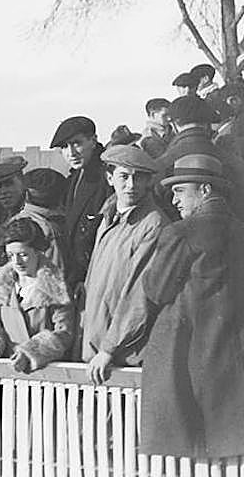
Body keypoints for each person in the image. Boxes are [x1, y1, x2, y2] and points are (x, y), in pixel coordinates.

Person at [130, 154, 244, 458]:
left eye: (180, 190)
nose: (175, 200)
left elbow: (156, 289)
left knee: (191, 453)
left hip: (187, 357)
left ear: (205, 189)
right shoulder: (239, 230)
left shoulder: (181, 233)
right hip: (230, 359)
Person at [83, 144, 169, 384]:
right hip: (95, 347)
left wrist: (108, 349)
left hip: (123, 356)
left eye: (139, 177)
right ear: (110, 178)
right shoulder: (109, 217)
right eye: (124, 176)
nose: (131, 185)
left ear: (148, 181)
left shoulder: (153, 224)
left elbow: (139, 296)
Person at [0, 218, 74, 372]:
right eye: (10, 256)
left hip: (46, 374)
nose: (17, 262)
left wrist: (30, 352)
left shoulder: (55, 287)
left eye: (23, 255)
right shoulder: (2, 285)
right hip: (9, 371)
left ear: (38, 251)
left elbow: (64, 333)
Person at [52, 116, 112, 286]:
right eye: (64, 146)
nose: (71, 153)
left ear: (93, 141)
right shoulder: (76, 176)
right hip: (80, 275)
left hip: (99, 275)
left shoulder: (106, 177)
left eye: (76, 143)